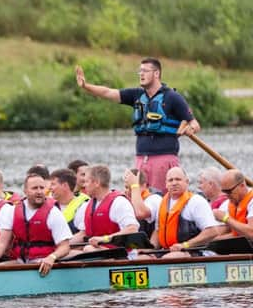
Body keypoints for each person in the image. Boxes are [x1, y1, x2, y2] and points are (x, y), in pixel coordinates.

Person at [75, 58, 200, 193]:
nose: (141, 74)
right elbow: (108, 92)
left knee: (160, 199)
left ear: (156, 73)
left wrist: (190, 129)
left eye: (145, 71)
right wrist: (85, 86)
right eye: (140, 71)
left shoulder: (172, 97)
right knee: (140, 196)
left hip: (163, 158)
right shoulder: (136, 95)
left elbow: (194, 123)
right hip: (141, 158)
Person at [0, 173, 71, 276]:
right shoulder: (12, 210)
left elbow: (65, 247)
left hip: (43, 263)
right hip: (20, 262)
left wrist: (52, 257)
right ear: (25, 191)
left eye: (42, 188)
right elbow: (2, 243)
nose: (39, 192)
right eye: (35, 188)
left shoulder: (54, 213)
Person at [150, 167, 222, 258]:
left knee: (168, 258)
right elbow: (158, 231)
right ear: (166, 184)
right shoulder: (162, 203)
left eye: (178, 179)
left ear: (187, 182)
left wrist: (185, 245)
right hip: (167, 250)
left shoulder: (196, 201)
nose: (174, 183)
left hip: (194, 251)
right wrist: (150, 250)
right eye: (170, 180)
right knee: (142, 258)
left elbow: (212, 231)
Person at [72, 165, 139, 251]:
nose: (84, 185)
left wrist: (105, 239)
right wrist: (60, 245)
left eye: (86, 181)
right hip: (99, 250)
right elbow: (83, 234)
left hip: (122, 253)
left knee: (88, 249)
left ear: (96, 183)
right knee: (67, 253)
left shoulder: (119, 202)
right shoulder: (88, 204)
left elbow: (132, 229)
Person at [213, 169, 253, 239]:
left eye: (229, 191)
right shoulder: (226, 204)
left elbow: (251, 233)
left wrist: (226, 218)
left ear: (242, 185)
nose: (226, 195)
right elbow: (217, 233)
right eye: (224, 191)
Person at [49, 169, 89, 235]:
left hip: (72, 244)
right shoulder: (48, 205)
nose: (50, 188)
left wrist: (62, 244)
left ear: (65, 186)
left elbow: (82, 235)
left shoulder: (84, 206)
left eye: (53, 184)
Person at [124, 168, 161, 238]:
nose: (127, 191)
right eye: (126, 187)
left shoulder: (155, 199)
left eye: (130, 188)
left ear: (144, 186)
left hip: (151, 245)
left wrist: (134, 186)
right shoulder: (124, 201)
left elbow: (140, 213)